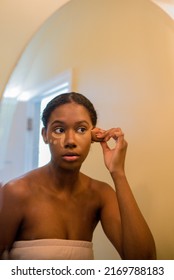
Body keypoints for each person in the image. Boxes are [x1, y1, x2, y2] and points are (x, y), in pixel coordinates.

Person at [0, 92, 156, 260]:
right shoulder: (16, 192)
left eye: (81, 129)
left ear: (94, 135)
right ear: (45, 135)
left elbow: (144, 263)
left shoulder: (100, 195)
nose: (70, 141)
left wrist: (118, 173)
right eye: (59, 130)